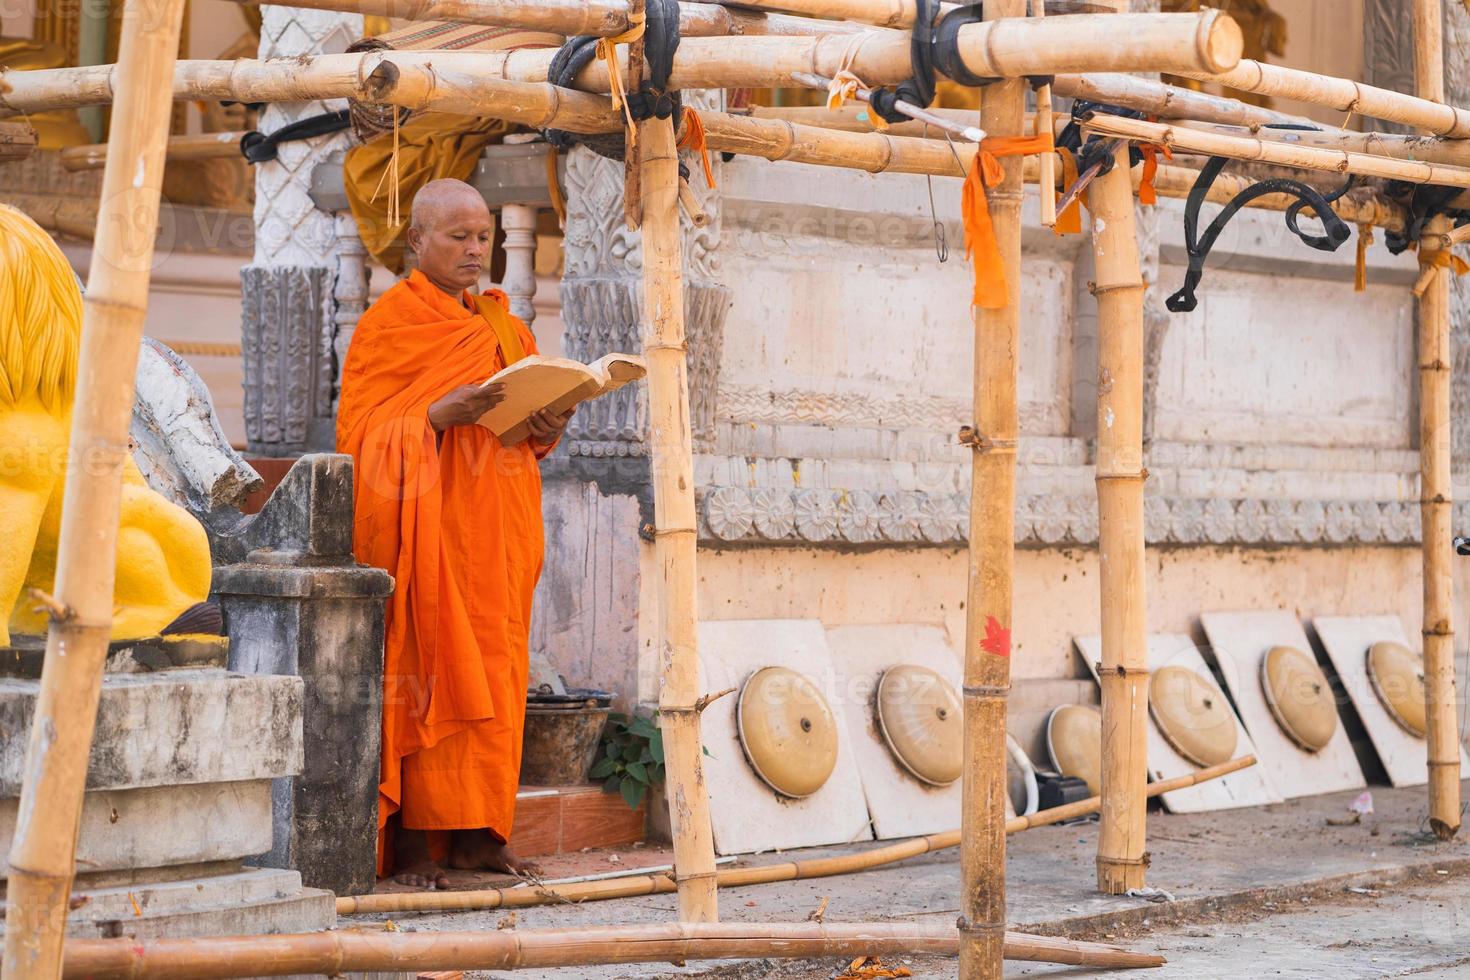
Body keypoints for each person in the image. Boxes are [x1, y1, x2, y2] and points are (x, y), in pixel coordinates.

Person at [337, 178, 572, 886]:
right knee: (427, 675)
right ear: (416, 241)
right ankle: (413, 849)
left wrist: (547, 423)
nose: (476, 251)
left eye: (484, 238)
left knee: (495, 681)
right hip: (428, 535)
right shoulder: (388, 325)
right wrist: (439, 416)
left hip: (498, 536)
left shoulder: (504, 325)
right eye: (459, 237)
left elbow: (523, 434)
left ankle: (477, 840)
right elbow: (360, 442)